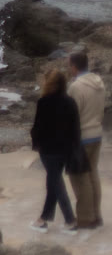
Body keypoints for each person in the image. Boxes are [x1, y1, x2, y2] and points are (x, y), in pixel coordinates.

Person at [33, 65, 82, 230]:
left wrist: (36, 143)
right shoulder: (70, 102)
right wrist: (75, 148)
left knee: (56, 183)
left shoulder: (44, 102)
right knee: (53, 181)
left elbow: (38, 127)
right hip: (66, 149)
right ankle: (43, 219)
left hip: (49, 150)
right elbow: (76, 128)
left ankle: (70, 221)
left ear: (49, 83)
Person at [74, 51, 106, 228]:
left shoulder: (77, 87)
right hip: (97, 134)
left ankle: (86, 218)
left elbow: (72, 116)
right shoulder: (99, 83)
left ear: (74, 67)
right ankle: (97, 215)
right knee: (93, 173)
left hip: (82, 137)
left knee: (81, 177)